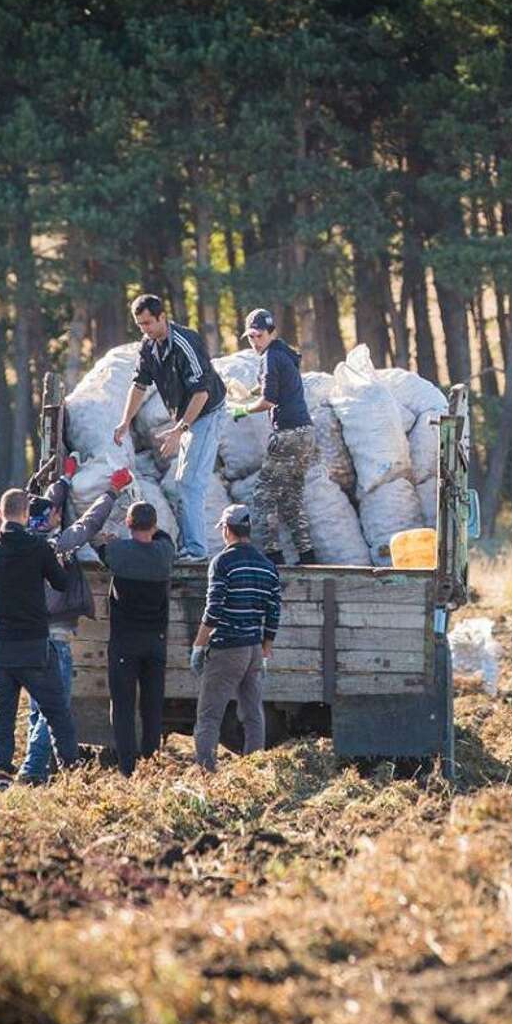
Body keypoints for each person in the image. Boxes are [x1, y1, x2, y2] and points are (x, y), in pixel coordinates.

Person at [18, 453, 129, 784]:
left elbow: (45, 506)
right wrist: (112, 491)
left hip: (30, 639)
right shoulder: (57, 544)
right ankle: (32, 770)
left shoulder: (22, 541)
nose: (57, 515)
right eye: (54, 514)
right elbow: (88, 524)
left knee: (39, 708)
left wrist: (64, 481)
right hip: (56, 641)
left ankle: (36, 767)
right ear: (50, 519)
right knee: (55, 706)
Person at [0, 487, 78, 791]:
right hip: (33, 647)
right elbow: (61, 584)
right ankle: (73, 774)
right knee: (56, 712)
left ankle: (3, 779)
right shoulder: (38, 548)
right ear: (26, 515)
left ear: (0, 513)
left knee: (1, 716)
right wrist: (61, 557)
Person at [113, 294, 226, 562]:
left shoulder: (187, 343)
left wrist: (179, 430)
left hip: (207, 414)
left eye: (149, 323)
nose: (145, 330)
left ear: (163, 317)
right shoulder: (148, 346)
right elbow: (139, 385)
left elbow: (202, 394)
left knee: (189, 483)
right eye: (140, 325)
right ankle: (190, 546)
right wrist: (125, 421)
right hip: (187, 417)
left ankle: (197, 551)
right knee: (181, 483)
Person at [189, 504, 282, 772]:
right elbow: (274, 612)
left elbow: (213, 609)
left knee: (208, 716)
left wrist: (198, 646)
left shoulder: (223, 562)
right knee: (253, 714)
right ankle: (254, 770)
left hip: (228, 648)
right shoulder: (267, 566)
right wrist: (265, 650)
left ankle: (206, 771)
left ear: (227, 530)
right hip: (253, 648)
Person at [230, 308, 319, 566]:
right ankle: (307, 556)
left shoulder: (270, 357)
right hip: (306, 433)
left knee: (263, 497)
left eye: (258, 336)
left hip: (288, 433)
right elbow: (274, 384)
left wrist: (242, 408)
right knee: (291, 497)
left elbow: (269, 400)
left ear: (271, 333)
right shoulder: (284, 353)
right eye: (250, 337)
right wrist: (249, 393)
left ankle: (273, 557)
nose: (254, 342)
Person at [101, 500, 176, 776]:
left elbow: (99, 547)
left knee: (122, 706)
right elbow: (166, 538)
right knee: (152, 706)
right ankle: (150, 761)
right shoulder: (165, 552)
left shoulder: (118, 552)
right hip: (155, 642)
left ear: (127, 525)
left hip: (125, 641)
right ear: (154, 526)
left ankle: (127, 768)